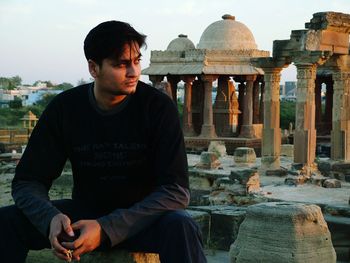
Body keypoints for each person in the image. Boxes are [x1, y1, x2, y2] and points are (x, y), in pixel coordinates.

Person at [0, 20, 207, 263]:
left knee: (182, 225)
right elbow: (28, 181)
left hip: (141, 218)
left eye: (137, 61)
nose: (133, 72)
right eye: (121, 64)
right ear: (93, 68)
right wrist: (50, 218)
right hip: (83, 216)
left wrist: (106, 228)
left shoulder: (158, 107)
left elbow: (176, 191)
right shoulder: (65, 108)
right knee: (7, 222)